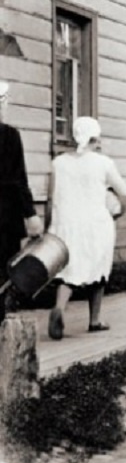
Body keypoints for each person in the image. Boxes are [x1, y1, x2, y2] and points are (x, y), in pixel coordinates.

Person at [47, 117, 126, 340]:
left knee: (68, 269)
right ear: (96, 138)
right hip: (96, 224)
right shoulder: (103, 163)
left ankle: (59, 307)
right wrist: (119, 211)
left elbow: (50, 198)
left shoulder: (59, 162)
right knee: (98, 269)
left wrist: (49, 226)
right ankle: (94, 320)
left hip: (64, 224)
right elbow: (125, 194)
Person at [0, 81, 45, 322]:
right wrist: (32, 215)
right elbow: (18, 180)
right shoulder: (9, 136)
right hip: (5, 220)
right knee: (3, 274)